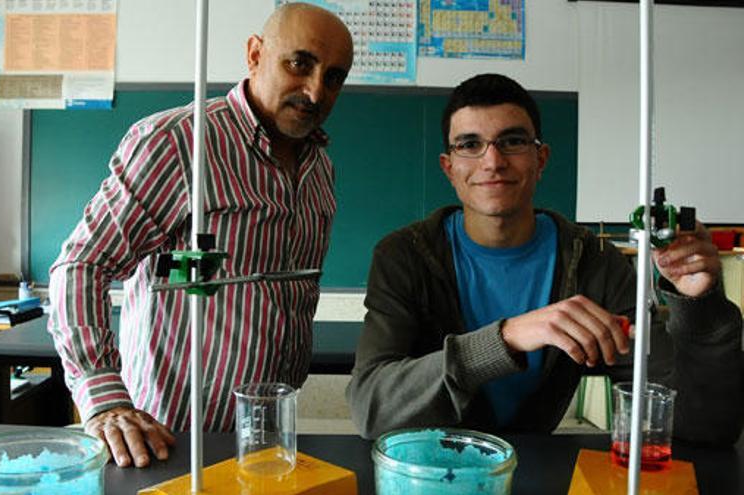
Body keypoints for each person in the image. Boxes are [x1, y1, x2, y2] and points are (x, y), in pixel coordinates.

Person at [346, 73, 744, 446]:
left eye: (513, 141)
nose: (492, 161)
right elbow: (371, 408)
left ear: (542, 159)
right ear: (449, 168)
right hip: (429, 472)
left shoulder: (594, 264)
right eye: (470, 144)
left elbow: (704, 426)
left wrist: (700, 308)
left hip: (535, 471)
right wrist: (504, 339)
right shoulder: (405, 257)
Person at [48, 3, 353, 468]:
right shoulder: (177, 144)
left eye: (333, 77)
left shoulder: (319, 169)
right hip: (166, 442)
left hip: (263, 440)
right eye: (300, 63)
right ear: (254, 53)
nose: (314, 91)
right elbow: (81, 265)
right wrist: (105, 400)